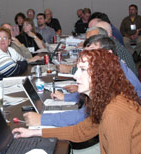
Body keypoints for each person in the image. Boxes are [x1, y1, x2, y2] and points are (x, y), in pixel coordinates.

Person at [13, 48, 141, 154]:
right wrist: (33, 132)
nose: (75, 76)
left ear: (101, 75)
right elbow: (80, 131)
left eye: (83, 69)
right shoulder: (105, 101)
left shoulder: (114, 113)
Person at [24, 35, 141, 127]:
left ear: (108, 53)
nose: (89, 57)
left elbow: (84, 116)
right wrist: (66, 97)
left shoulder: (114, 78)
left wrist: (42, 119)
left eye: (93, 52)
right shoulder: (111, 68)